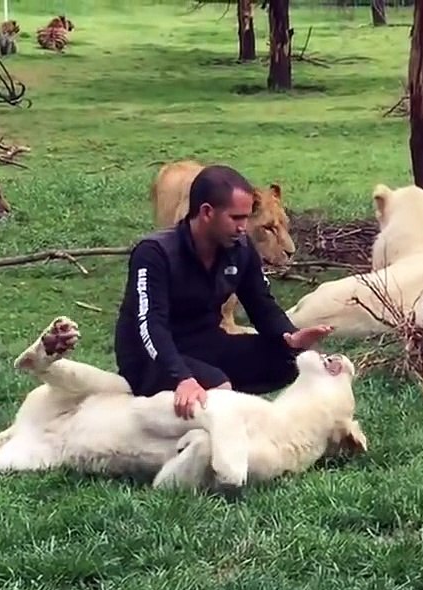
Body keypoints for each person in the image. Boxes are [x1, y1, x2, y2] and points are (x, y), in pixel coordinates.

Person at [113, 164, 333, 419]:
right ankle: (217, 417)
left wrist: (290, 337)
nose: (243, 227)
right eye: (236, 218)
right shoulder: (155, 253)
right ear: (207, 212)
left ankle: (214, 397)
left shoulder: (239, 248)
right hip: (150, 358)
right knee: (219, 387)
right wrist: (181, 377)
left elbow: (261, 302)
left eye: (247, 217)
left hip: (205, 343)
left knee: (295, 360)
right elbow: (150, 327)